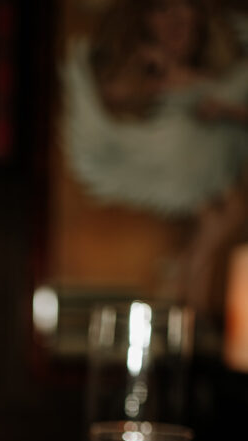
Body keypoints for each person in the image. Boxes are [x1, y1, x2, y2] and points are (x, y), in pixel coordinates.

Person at [64, 0, 248, 314]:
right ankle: (186, 303)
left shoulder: (217, 72)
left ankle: (188, 305)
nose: (177, 21)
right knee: (221, 215)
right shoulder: (141, 64)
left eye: (185, 9)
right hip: (171, 162)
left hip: (203, 163)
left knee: (220, 217)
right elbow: (117, 92)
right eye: (163, 9)